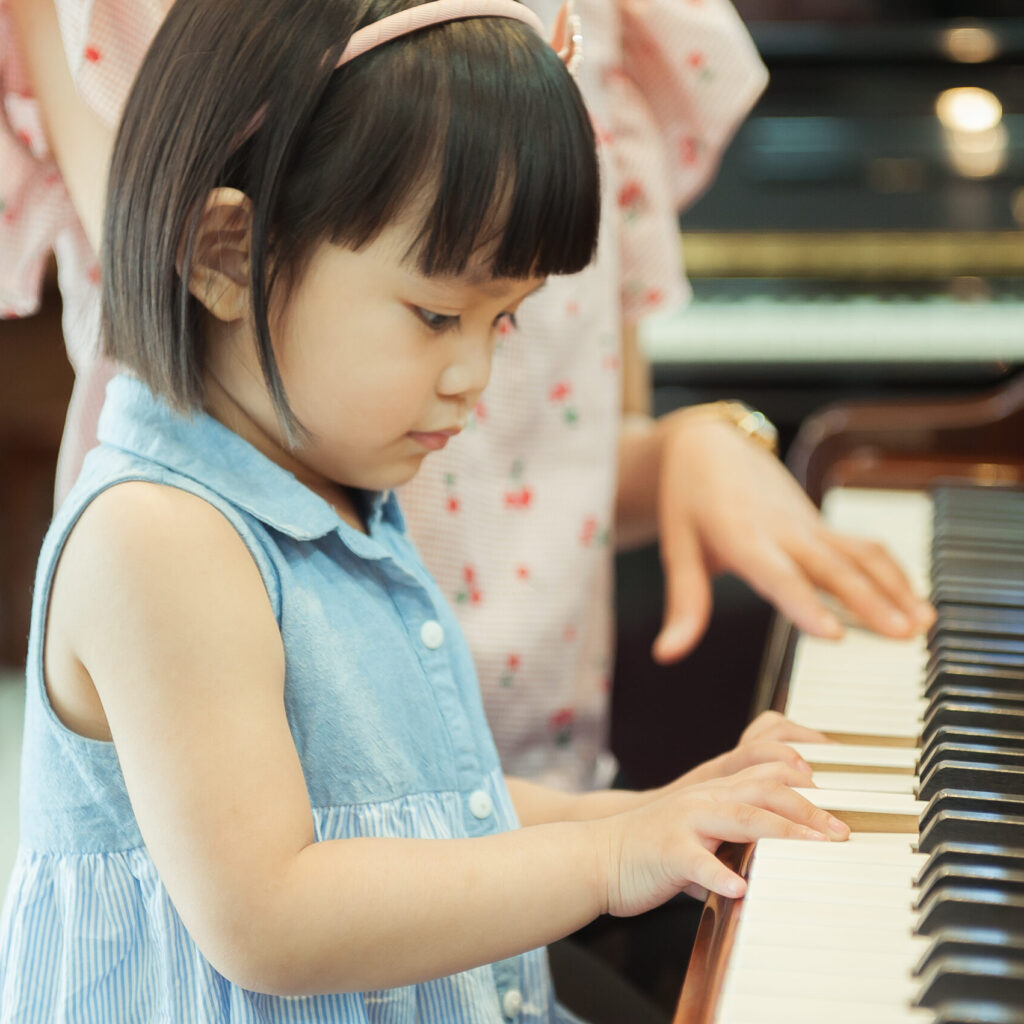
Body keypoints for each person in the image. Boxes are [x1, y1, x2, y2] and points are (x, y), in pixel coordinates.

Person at [0, 1, 853, 1020]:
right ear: (228, 253)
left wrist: (651, 812)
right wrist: (603, 857)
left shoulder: (333, 492)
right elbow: (269, 914)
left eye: (505, 319)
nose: (474, 375)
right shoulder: (161, 537)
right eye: (438, 315)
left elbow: (429, 803)